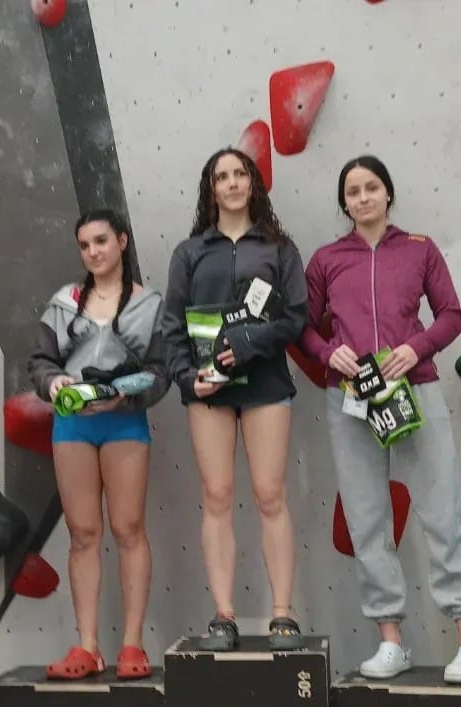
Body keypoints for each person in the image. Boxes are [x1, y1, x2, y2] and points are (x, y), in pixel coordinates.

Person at [301, 154, 461, 683]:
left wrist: (415, 348)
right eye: (352, 191)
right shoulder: (326, 260)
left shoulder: (420, 249)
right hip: (351, 399)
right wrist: (328, 352)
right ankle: (390, 640)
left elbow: (451, 314)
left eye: (371, 187)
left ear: (388, 193)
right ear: (344, 203)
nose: (362, 198)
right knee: (366, 519)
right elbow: (304, 327)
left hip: (416, 389)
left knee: (442, 510)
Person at [162, 146, 307, 652]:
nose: (231, 183)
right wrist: (188, 379)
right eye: (221, 177)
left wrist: (249, 344)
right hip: (209, 392)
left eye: (239, 174)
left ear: (252, 182)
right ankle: (223, 615)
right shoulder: (189, 253)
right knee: (217, 496)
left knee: (270, 495)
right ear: (211, 189)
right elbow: (172, 326)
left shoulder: (279, 248)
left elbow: (295, 317)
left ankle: (283, 614)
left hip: (266, 386)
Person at [27, 209, 168, 679]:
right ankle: (87, 646)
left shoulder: (150, 304)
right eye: (85, 245)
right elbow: (40, 361)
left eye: (101, 241)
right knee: (83, 534)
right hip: (72, 425)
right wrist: (54, 384)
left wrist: (125, 395)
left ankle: (132, 646)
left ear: (122, 241)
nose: (93, 252)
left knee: (129, 529)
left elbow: (162, 371)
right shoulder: (63, 302)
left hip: (125, 423)